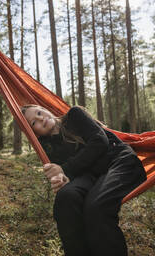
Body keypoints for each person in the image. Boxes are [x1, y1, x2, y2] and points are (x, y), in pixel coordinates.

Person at [21, 104, 146, 256]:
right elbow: (69, 173)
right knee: (65, 197)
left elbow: (100, 142)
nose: (40, 118)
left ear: (46, 109)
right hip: (90, 176)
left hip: (118, 161)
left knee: (96, 206)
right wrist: (62, 179)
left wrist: (64, 169)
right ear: (34, 133)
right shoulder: (46, 147)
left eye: (39, 113)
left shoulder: (74, 115)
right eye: (34, 123)